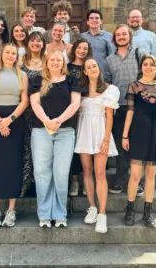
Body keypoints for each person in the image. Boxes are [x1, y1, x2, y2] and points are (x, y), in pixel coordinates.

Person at [30, 51, 81, 228]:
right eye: (52, 59)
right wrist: (47, 122)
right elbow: (35, 103)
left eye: (58, 59)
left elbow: (75, 103)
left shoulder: (71, 80)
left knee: (61, 173)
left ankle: (60, 214)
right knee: (42, 172)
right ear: (46, 62)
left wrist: (58, 121)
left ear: (63, 63)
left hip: (65, 131)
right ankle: (44, 214)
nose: (55, 62)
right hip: (41, 130)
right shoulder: (37, 80)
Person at [122, 55, 156, 227]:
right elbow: (130, 111)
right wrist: (125, 135)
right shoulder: (134, 86)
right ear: (141, 67)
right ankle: (129, 209)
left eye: (152, 64)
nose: (148, 67)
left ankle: (148, 212)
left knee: (150, 175)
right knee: (136, 175)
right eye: (145, 64)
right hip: (137, 134)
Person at [0, 43, 28, 227]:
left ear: (17, 56)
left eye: (13, 53)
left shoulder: (22, 75)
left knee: (13, 163)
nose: (10, 55)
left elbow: (25, 100)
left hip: (15, 121)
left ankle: (11, 209)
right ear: (1, 55)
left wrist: (9, 120)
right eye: (7, 53)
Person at [75, 58, 119, 233]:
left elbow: (110, 116)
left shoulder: (109, 89)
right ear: (84, 72)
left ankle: (102, 214)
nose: (92, 68)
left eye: (94, 66)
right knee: (87, 171)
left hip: (101, 132)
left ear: (98, 69)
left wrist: (106, 139)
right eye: (88, 67)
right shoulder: (81, 91)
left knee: (100, 173)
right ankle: (92, 207)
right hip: (84, 132)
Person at [105, 25, 146, 196]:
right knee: (122, 144)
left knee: (137, 144)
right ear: (114, 38)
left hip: (138, 106)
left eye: (124, 34)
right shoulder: (109, 60)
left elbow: (149, 74)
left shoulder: (139, 53)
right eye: (118, 35)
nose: (121, 37)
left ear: (129, 36)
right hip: (119, 107)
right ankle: (121, 179)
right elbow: (107, 82)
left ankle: (138, 182)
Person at [67, 38, 92, 197]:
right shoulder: (67, 67)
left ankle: (87, 180)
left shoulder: (90, 67)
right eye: (79, 47)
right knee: (73, 146)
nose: (82, 51)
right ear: (74, 49)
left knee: (87, 146)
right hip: (70, 111)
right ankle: (75, 181)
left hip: (87, 110)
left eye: (85, 49)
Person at [21, 31, 45, 196]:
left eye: (39, 41)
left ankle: (40, 182)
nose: (36, 43)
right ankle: (25, 180)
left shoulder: (48, 61)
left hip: (44, 110)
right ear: (28, 43)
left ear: (43, 44)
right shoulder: (21, 62)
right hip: (25, 110)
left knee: (41, 146)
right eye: (33, 41)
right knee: (26, 145)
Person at [127, 9, 156, 79]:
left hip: (147, 80)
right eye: (132, 17)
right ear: (128, 20)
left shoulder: (151, 36)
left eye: (137, 17)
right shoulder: (122, 37)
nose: (135, 19)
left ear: (142, 20)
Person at [81, 9, 115, 74]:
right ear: (87, 22)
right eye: (91, 18)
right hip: (86, 74)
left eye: (97, 18)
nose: (94, 20)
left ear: (101, 21)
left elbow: (112, 57)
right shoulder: (82, 37)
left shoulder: (109, 37)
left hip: (103, 74)